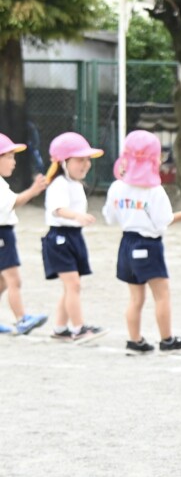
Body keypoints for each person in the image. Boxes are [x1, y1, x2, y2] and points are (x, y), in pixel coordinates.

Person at [103, 130, 181, 355]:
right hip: (148, 245)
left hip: (126, 243)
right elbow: (163, 221)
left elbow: (110, 217)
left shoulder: (116, 187)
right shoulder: (154, 191)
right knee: (162, 294)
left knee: (135, 297)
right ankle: (167, 339)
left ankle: (134, 341)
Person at [42, 132, 107, 343]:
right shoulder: (59, 183)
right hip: (59, 238)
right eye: (80, 160)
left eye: (87, 159)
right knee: (73, 286)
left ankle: (60, 329)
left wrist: (78, 218)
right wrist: (77, 215)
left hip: (73, 236)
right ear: (63, 162)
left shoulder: (76, 184)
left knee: (71, 285)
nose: (86, 164)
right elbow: (58, 210)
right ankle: (79, 329)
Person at [0, 132, 49, 335]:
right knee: (13, 279)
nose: (13, 162)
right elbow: (14, 203)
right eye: (9, 156)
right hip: (2, 235)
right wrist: (34, 190)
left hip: (4, 234)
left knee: (2, 281)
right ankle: (22, 319)